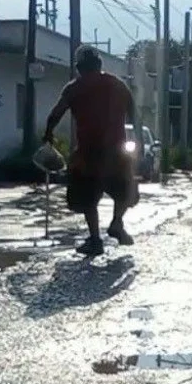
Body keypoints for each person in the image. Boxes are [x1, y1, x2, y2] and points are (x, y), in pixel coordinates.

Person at [42, 45, 139, 257]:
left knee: (87, 199)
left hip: (88, 155)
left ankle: (95, 239)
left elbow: (55, 114)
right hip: (117, 153)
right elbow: (135, 116)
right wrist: (137, 144)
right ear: (99, 64)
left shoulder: (74, 88)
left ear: (79, 67)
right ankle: (117, 222)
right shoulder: (118, 85)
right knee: (124, 191)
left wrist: (48, 135)